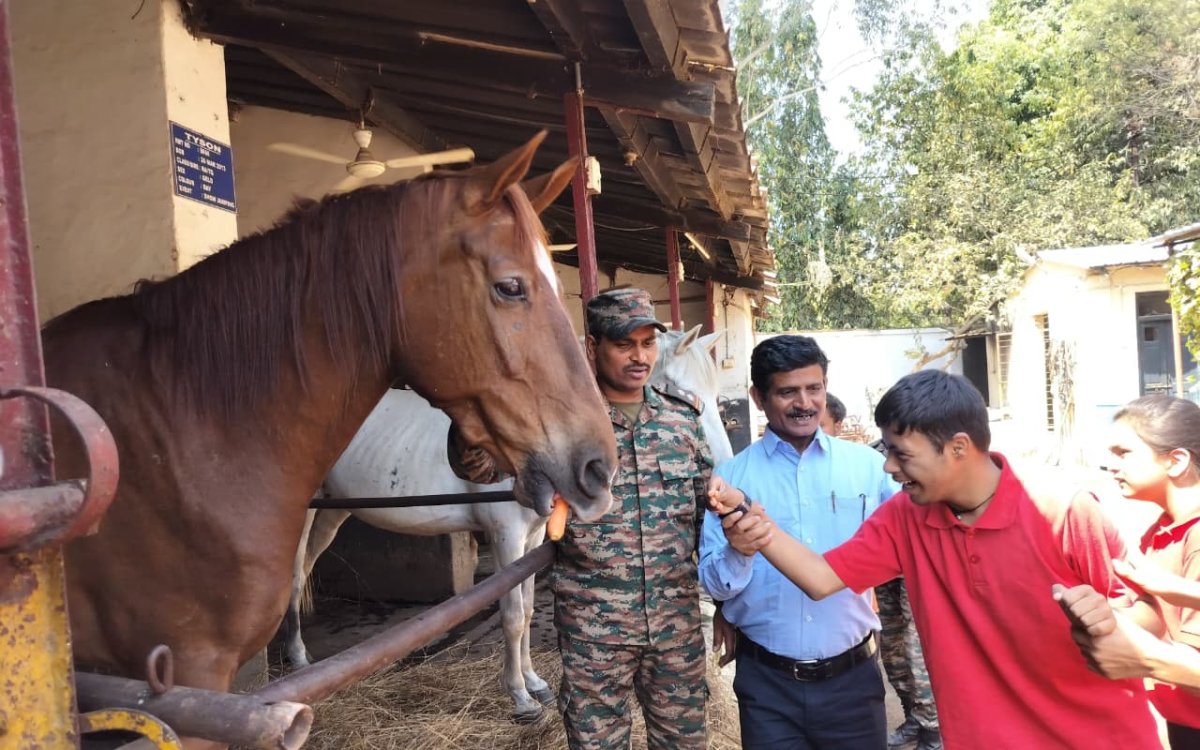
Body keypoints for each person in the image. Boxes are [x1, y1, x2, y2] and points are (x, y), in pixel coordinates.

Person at [708, 370, 1162, 749]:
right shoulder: (906, 518)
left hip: (1097, 738)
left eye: (901, 454)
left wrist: (1111, 625)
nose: (888, 467)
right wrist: (752, 522)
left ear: (959, 448)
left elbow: (1153, 616)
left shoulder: (1064, 510)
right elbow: (822, 577)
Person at [698, 335, 898, 749]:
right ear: (758, 397)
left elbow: (911, 545)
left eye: (814, 388)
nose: (805, 403)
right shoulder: (731, 478)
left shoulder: (869, 469)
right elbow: (714, 585)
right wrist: (740, 553)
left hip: (853, 683)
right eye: (787, 392)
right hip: (768, 686)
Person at [543, 287, 714, 749]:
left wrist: (731, 609)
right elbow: (481, 467)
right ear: (593, 347)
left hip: (675, 627)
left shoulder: (682, 421)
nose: (640, 357)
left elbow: (708, 524)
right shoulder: (562, 424)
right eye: (624, 344)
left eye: (647, 343)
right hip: (594, 633)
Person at [1053, 395, 1200, 748]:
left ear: (1176, 460)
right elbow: (1156, 615)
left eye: (1124, 453)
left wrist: (1138, 658)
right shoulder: (1161, 531)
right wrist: (1096, 614)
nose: (1111, 465)